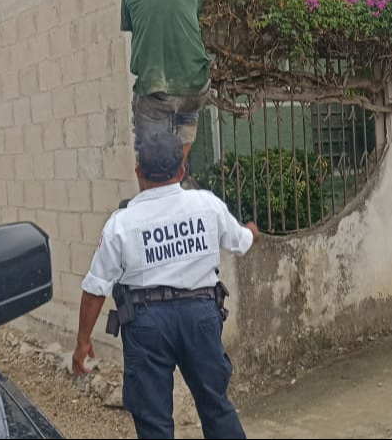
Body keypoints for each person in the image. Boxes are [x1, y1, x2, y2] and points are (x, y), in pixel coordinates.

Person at [72, 131, 261, 438]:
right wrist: (253, 231)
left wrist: (83, 341)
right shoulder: (206, 205)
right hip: (200, 317)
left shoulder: (121, 223)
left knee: (153, 419)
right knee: (216, 406)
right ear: (182, 171)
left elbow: (96, 288)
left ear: (138, 172)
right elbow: (241, 242)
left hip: (146, 324)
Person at [122, 0, 211, 163]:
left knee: (150, 152)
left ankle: (159, 179)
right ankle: (178, 170)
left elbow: (135, 28)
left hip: (156, 89)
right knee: (188, 113)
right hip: (196, 86)